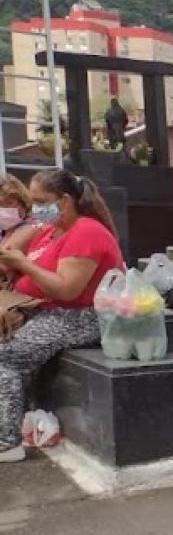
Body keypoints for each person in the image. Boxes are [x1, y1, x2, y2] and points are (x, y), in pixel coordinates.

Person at [0, 169, 124, 463]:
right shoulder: (50, 229)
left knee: (5, 358)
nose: (37, 207)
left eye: (42, 201)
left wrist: (24, 265)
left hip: (79, 317)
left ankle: (7, 442)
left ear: (65, 200)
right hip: (43, 311)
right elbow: (15, 252)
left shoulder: (86, 231)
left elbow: (68, 290)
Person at [0, 173, 38, 255]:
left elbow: (5, 260)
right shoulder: (4, 231)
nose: (3, 208)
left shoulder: (30, 228)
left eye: (9, 203)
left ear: (23, 203)